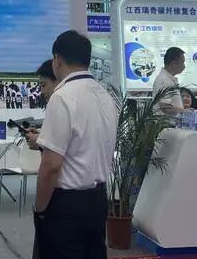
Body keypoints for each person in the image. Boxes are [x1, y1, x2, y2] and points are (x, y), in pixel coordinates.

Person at [34, 30, 117, 259]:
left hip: (67, 205)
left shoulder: (63, 96)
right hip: (98, 200)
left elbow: (51, 167)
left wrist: (40, 209)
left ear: (57, 60)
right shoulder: (104, 95)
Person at [26, 60, 58, 150]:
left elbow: (62, 147)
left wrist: (41, 143)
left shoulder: (60, 106)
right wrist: (41, 136)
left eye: (43, 85)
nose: (42, 91)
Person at [152, 47, 191, 119]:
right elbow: (165, 107)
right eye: (183, 62)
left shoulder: (168, 79)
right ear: (174, 63)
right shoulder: (164, 80)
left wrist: (184, 110)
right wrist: (185, 111)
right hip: (166, 124)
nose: (184, 66)